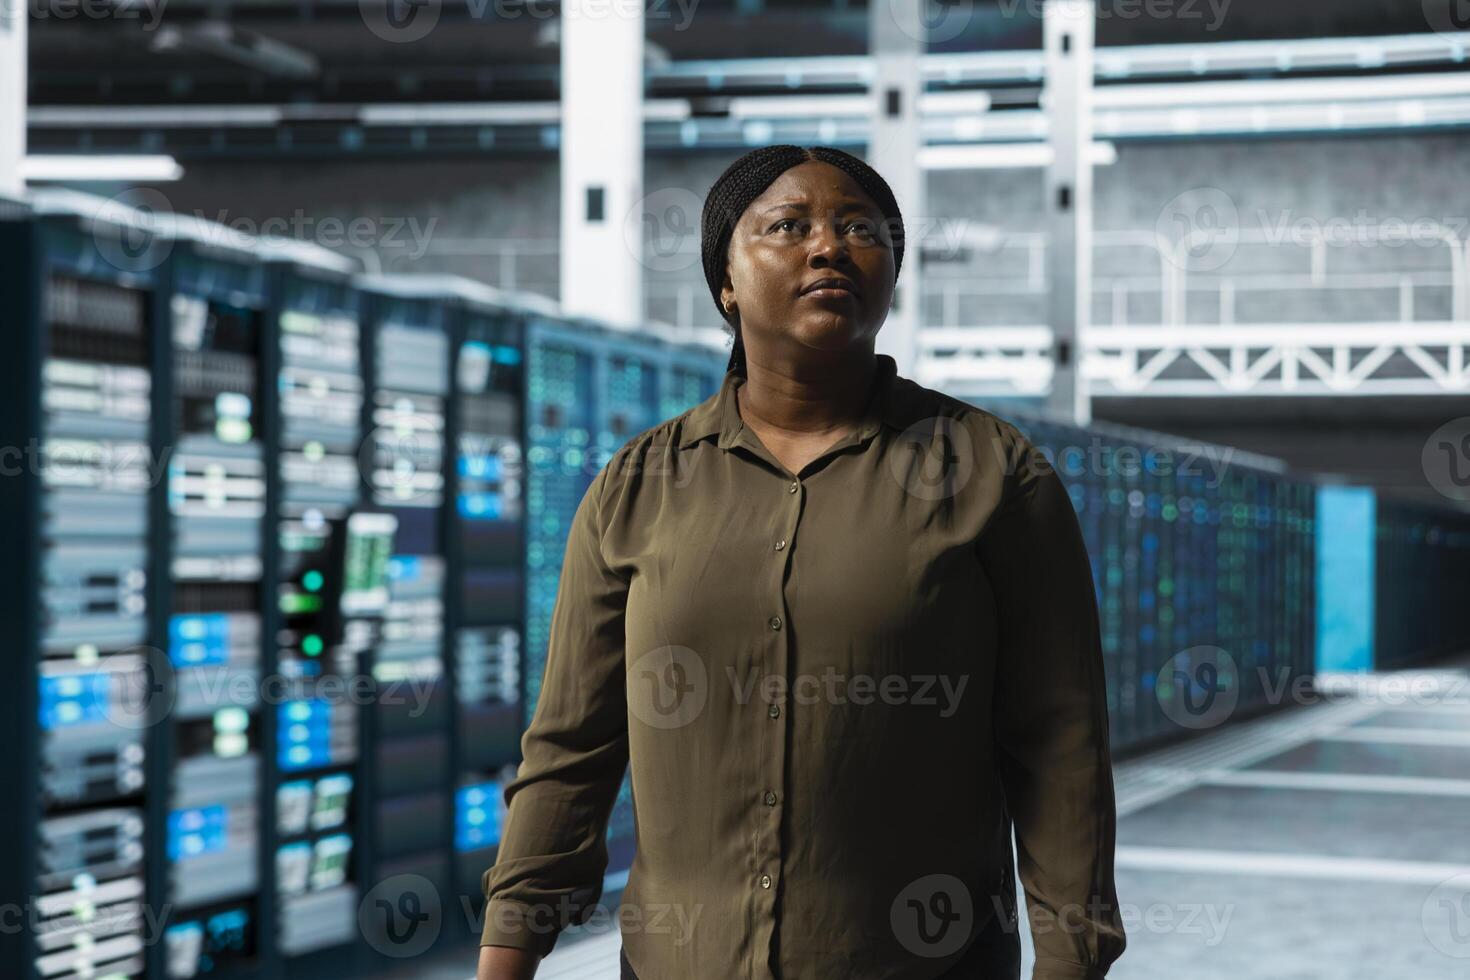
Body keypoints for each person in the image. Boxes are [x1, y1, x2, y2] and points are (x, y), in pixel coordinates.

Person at [477, 144, 1127, 980]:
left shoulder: (994, 474)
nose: (830, 246)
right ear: (725, 280)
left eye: (862, 228)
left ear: (892, 271)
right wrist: (504, 963)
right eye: (789, 226)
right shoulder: (637, 488)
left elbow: (1060, 747)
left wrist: (1071, 961)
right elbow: (571, 748)